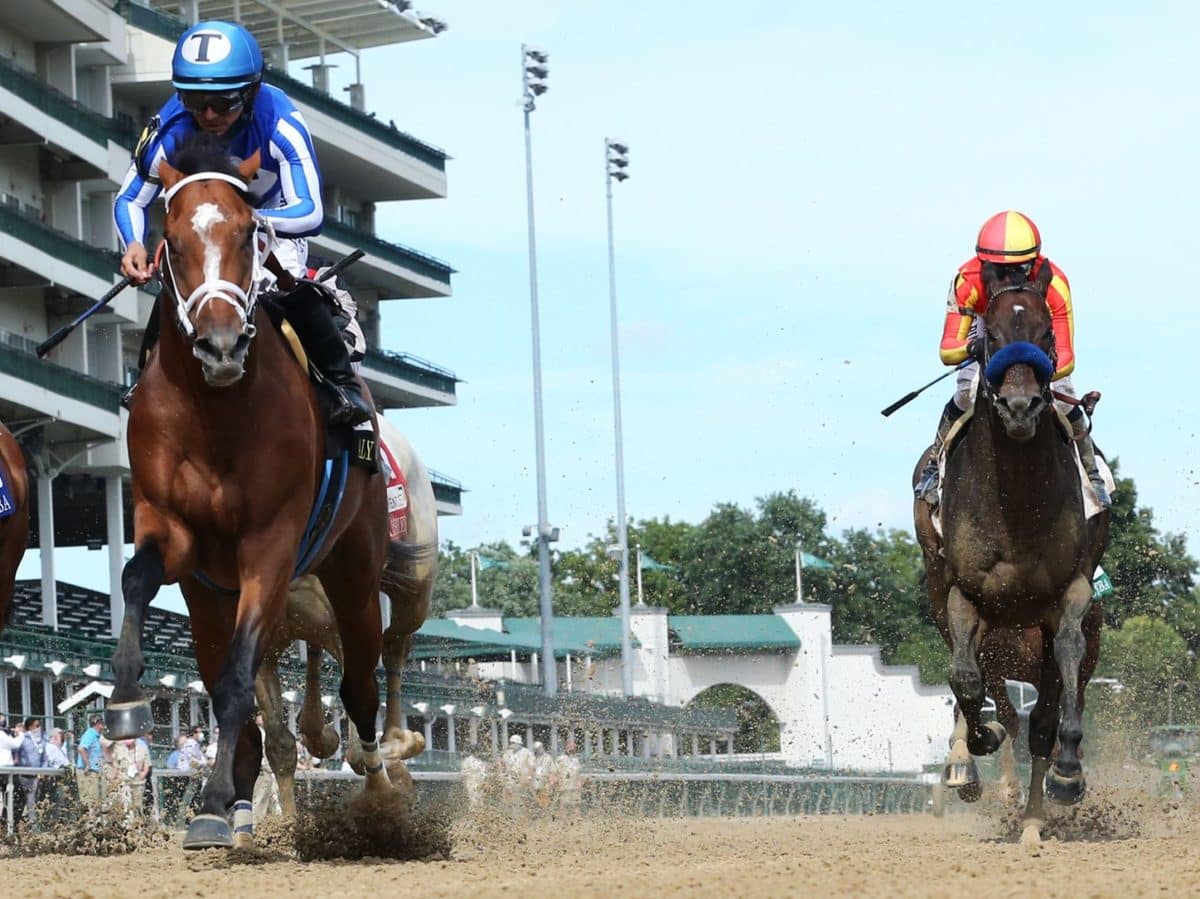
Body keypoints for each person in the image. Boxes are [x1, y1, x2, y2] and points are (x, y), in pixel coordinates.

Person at [112, 19, 372, 427]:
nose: (209, 114)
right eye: (195, 100)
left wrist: (244, 223)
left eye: (225, 101)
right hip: (205, 232)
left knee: (278, 285)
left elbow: (311, 211)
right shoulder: (169, 126)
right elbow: (130, 197)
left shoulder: (281, 121)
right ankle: (146, 378)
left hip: (271, 225)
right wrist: (133, 244)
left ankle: (343, 385)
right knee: (179, 287)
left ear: (251, 92)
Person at [915, 210, 1109, 507]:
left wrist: (1034, 367)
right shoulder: (967, 281)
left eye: (1021, 268)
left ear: (1035, 262)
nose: (1012, 276)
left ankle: (1091, 472)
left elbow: (1068, 357)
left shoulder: (1054, 284)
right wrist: (973, 349)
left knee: (1064, 394)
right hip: (988, 325)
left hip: (1035, 330)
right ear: (984, 264)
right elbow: (948, 349)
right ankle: (933, 466)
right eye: (1000, 269)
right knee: (966, 393)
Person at [75, 715, 108, 811]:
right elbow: (81, 748)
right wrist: (88, 765)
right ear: (98, 724)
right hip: (88, 773)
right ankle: (91, 824)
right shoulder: (90, 734)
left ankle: (96, 823)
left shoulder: (98, 736)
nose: (104, 726)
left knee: (97, 801)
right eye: (102, 723)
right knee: (91, 802)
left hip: (95, 772)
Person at [554, 739, 583, 817]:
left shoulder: (576, 760)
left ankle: (577, 822)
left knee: (576, 805)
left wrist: (579, 783)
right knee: (564, 805)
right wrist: (557, 782)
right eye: (570, 746)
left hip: (575, 786)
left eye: (574, 747)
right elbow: (556, 772)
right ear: (566, 747)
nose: (572, 748)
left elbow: (578, 773)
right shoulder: (560, 759)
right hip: (564, 786)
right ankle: (563, 823)